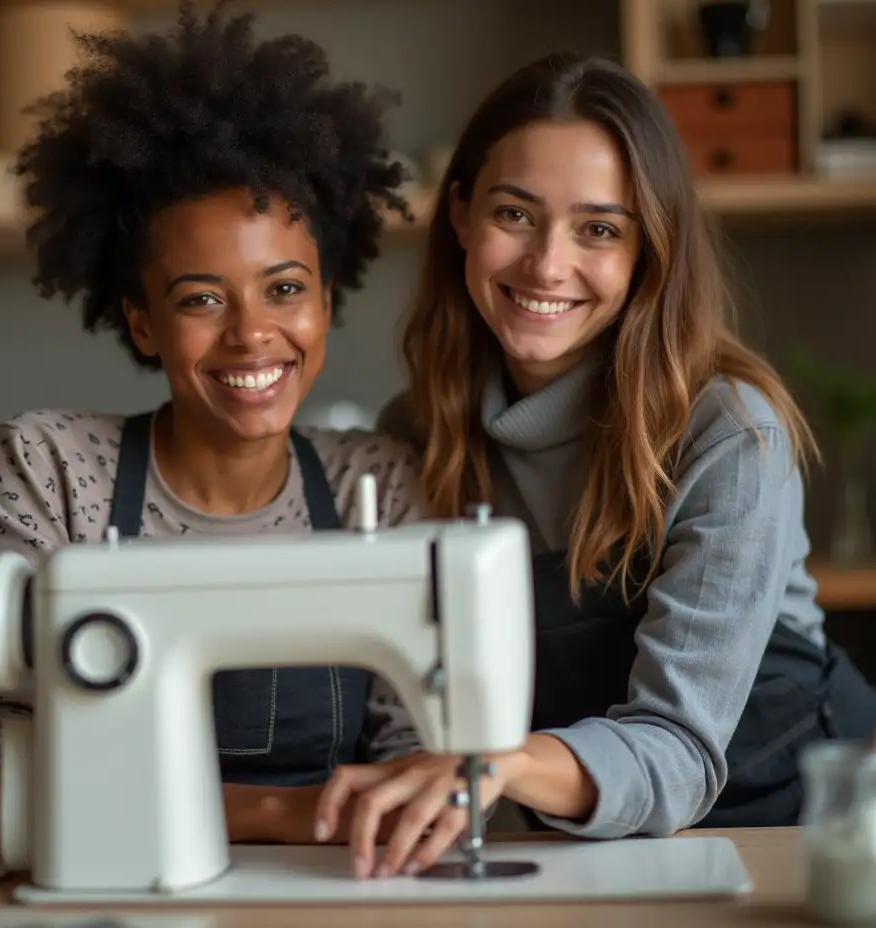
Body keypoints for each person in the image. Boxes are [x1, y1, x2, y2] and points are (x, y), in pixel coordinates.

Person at [0, 3, 471, 871]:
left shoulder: (380, 478)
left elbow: (421, 749)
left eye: (285, 289)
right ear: (142, 321)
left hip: (340, 886)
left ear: (328, 303)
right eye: (200, 299)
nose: (252, 334)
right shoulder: (51, 469)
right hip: (117, 881)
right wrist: (274, 812)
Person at [318, 51, 876, 868]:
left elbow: (679, 752)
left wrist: (492, 770)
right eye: (515, 214)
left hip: (806, 833)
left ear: (649, 249)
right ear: (462, 214)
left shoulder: (728, 433)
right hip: (605, 849)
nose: (548, 264)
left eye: (599, 229)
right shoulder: (419, 432)